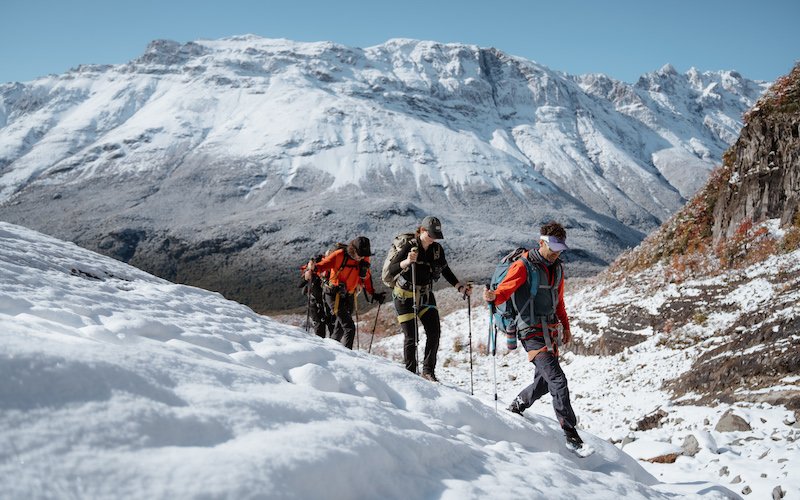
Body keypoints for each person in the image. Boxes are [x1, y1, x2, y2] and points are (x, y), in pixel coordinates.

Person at [482, 221, 583, 448]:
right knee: (558, 379)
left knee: (545, 383)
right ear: (541, 242)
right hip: (529, 332)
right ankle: (571, 435)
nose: (557, 254)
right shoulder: (522, 266)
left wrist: (566, 327)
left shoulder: (557, 269)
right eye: (553, 248)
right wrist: (492, 297)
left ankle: (518, 404)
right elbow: (504, 291)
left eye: (560, 249)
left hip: (550, 330)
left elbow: (559, 302)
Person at [386, 216, 471, 381]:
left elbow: (445, 270)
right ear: (422, 231)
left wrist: (459, 287)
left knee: (434, 332)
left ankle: (428, 371)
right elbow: (392, 269)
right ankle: (410, 373)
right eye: (431, 235)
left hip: (425, 295)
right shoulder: (409, 246)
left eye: (436, 236)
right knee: (412, 336)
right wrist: (407, 261)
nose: (433, 239)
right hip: (404, 296)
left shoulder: (437, 249)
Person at [304, 237, 385, 349]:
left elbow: (366, 278)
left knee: (340, 328)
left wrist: (374, 294)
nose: (361, 257)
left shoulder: (364, 260)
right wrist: (312, 268)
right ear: (353, 250)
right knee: (349, 327)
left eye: (364, 255)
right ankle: (347, 356)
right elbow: (322, 266)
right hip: (333, 295)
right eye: (360, 254)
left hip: (349, 295)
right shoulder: (339, 255)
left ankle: (329, 350)